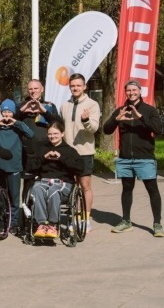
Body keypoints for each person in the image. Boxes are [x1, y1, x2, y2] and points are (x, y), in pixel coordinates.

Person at [102, 79, 164, 237]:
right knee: (126, 190)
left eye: (134, 90)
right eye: (128, 91)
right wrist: (116, 120)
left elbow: (158, 129)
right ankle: (126, 221)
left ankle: (157, 223)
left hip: (145, 158)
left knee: (152, 190)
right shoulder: (120, 110)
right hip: (125, 159)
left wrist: (140, 117)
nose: (131, 93)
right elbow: (106, 130)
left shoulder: (149, 110)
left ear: (140, 91)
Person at [0, 99, 34, 231]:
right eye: (4, 112)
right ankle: (1, 220)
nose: (6, 115)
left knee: (14, 196)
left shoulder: (18, 127)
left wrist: (16, 122)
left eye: (9, 112)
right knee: (0, 195)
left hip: (14, 167)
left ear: (13, 113)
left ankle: (14, 222)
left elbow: (31, 134)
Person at [60, 73, 100, 233]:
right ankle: (75, 216)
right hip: (68, 153)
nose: (75, 88)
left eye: (78, 85)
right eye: (73, 86)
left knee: (85, 186)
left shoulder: (92, 104)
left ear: (84, 86)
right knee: (71, 186)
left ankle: (86, 218)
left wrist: (86, 120)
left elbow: (95, 128)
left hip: (85, 152)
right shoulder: (64, 105)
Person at [28, 121, 83, 239]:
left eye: (56, 134)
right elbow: (30, 166)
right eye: (50, 134)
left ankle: (53, 225)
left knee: (53, 191)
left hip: (63, 183)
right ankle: (42, 224)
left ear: (62, 134)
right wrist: (44, 158)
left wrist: (61, 158)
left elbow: (79, 168)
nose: (52, 136)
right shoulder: (42, 148)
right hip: (43, 181)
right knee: (37, 189)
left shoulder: (69, 150)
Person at [17, 79, 60, 171]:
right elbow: (12, 119)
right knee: (28, 182)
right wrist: (22, 110)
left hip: (46, 149)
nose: (33, 91)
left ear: (42, 89)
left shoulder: (49, 105)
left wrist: (43, 111)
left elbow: (57, 123)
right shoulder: (21, 105)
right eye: (30, 89)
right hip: (27, 151)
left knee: (45, 180)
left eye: (36, 88)